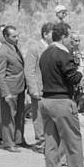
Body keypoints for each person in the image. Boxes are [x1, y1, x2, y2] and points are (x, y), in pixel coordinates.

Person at [38, 23, 84, 167]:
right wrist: (81, 67)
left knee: (51, 142)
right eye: (69, 37)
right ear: (63, 37)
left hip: (46, 101)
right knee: (72, 141)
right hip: (62, 101)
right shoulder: (63, 55)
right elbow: (73, 78)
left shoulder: (45, 54)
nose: (71, 41)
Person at [0, 25, 27, 152]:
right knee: (8, 117)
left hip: (20, 86)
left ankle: (19, 139)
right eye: (14, 36)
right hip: (10, 88)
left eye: (17, 35)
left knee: (19, 115)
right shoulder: (2, 52)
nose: (17, 38)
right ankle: (8, 143)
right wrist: (5, 93)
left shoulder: (15, 48)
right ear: (6, 37)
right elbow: (0, 74)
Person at [25, 22, 53, 152]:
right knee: (39, 118)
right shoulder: (34, 48)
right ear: (45, 34)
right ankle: (40, 143)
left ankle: (50, 142)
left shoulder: (53, 47)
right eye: (52, 33)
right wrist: (33, 89)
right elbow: (29, 70)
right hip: (39, 89)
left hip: (51, 89)